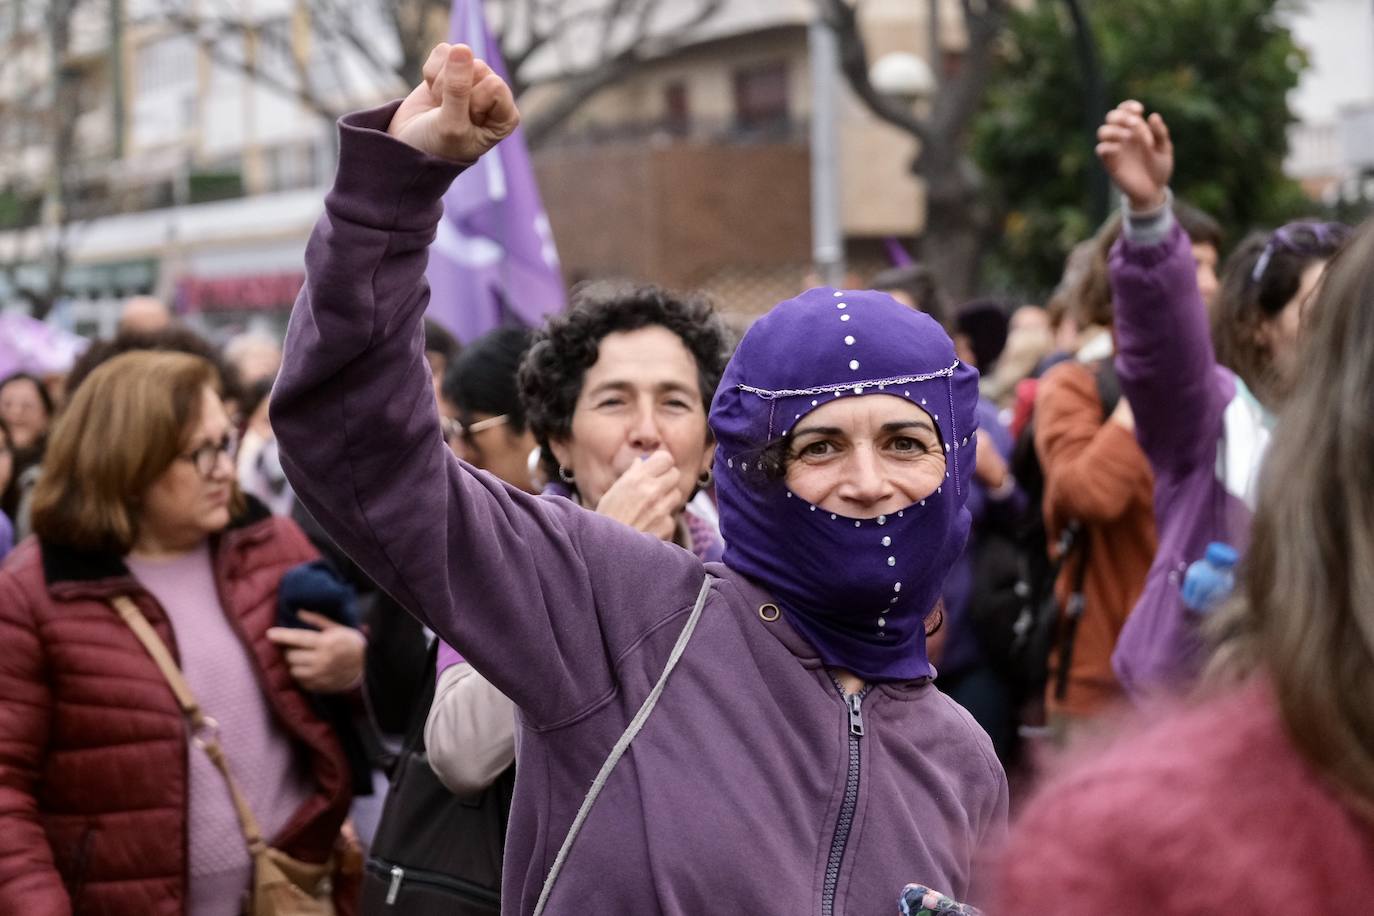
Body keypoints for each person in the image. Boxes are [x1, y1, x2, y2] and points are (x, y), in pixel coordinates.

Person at [272, 42, 1006, 913]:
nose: (867, 481)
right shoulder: (622, 608)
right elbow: (359, 448)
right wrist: (391, 199)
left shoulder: (965, 760)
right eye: (818, 448)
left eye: (905, 443)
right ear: (754, 471)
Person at [995, 215, 1374, 915]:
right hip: (1128, 682)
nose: (1203, 282)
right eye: (1188, 266)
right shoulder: (1181, 407)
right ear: (1262, 324)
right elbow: (1086, 493)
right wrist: (1133, 416)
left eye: (1208, 264)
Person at [0, 350, 361, 914]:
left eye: (227, 441)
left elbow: (351, 719)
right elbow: (6, 792)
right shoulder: (34, 592)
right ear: (131, 463)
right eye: (201, 452)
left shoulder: (271, 547)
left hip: (287, 893)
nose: (225, 466)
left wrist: (353, 664)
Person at [1095, 100, 1349, 698]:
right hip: (1205, 712)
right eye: (1319, 311)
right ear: (1260, 325)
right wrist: (1151, 218)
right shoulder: (1216, 418)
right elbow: (1164, 352)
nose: (1340, 331)